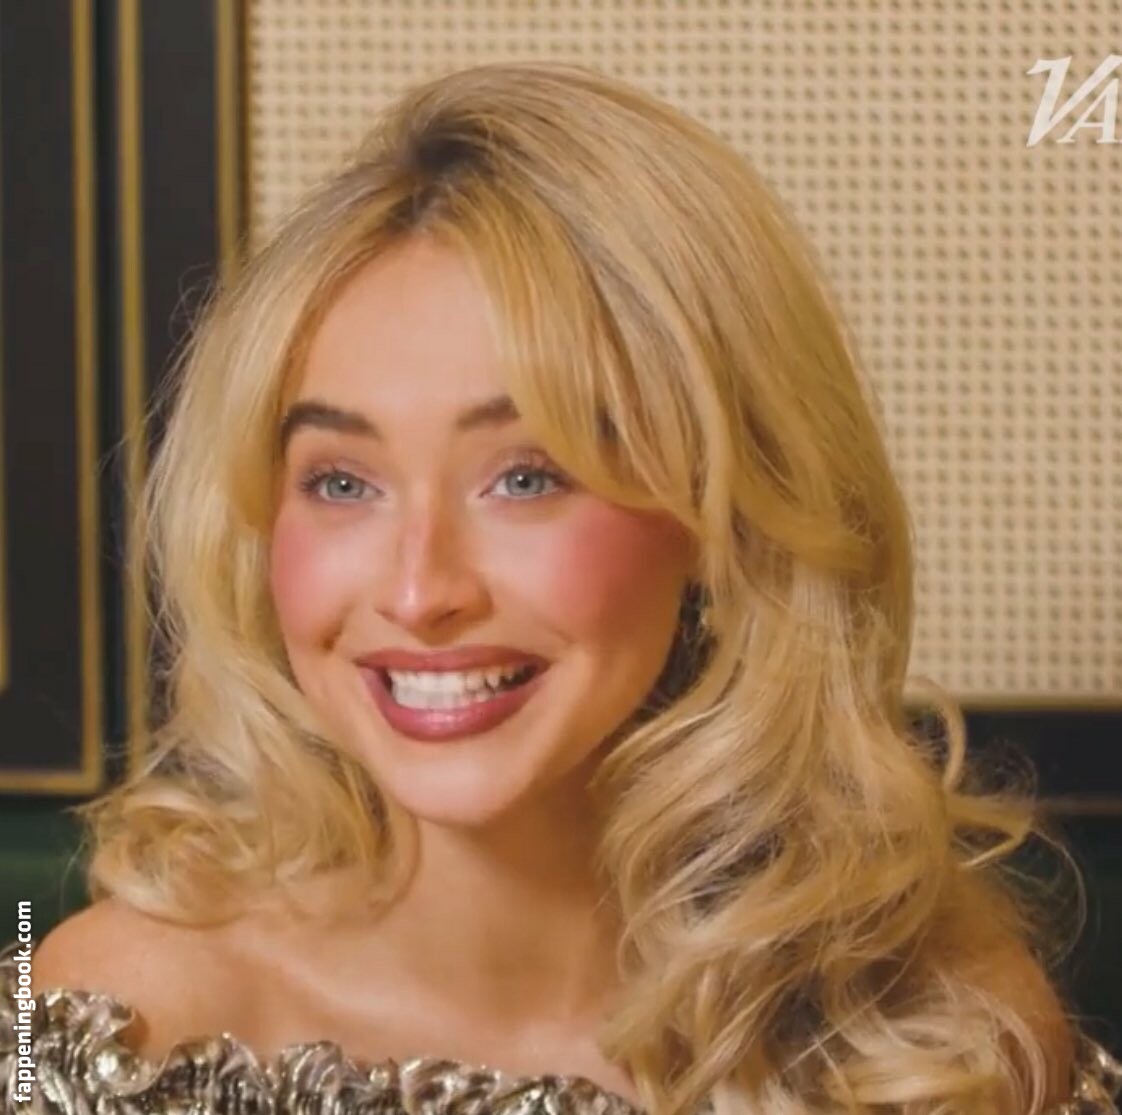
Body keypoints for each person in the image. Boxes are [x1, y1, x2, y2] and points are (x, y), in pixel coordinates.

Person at [1, 59, 1119, 1115]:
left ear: (720, 514)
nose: (420, 589)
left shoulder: (937, 1039)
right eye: (342, 480)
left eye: (527, 476)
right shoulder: (120, 1020)